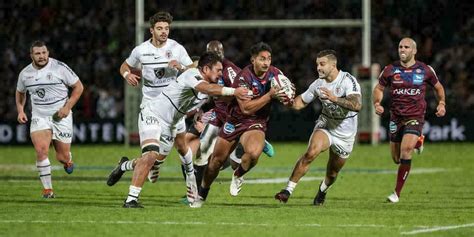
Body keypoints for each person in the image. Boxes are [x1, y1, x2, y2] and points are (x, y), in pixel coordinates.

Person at [117, 52, 250, 208]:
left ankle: (123, 166)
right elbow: (207, 88)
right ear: (206, 69)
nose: (221, 73)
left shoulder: (206, 86)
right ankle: (131, 200)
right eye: (218, 70)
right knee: (151, 156)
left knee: (172, 154)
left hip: (172, 122)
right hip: (153, 115)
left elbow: (211, 99)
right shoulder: (192, 75)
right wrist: (234, 91)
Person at [190, 42, 285, 208]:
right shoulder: (243, 76)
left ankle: (238, 173)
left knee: (254, 153)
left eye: (269, 59)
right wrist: (270, 96)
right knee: (215, 162)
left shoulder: (275, 74)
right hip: (234, 120)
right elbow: (246, 108)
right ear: (253, 60)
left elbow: (287, 93)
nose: (266, 62)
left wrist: (288, 96)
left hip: (256, 122)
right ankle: (202, 193)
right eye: (262, 59)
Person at [107, 11, 194, 186]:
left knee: (181, 146)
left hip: (173, 108)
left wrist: (182, 67)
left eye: (167, 28)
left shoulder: (177, 48)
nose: (164, 32)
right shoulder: (141, 50)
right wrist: (127, 75)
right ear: (151, 30)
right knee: (150, 155)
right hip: (151, 108)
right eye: (160, 28)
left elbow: (194, 70)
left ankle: (124, 166)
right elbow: (124, 66)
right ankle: (190, 185)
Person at [274, 50, 361, 206]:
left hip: (345, 134)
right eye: (317, 65)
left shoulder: (348, 81)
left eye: (322, 64)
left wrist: (335, 98)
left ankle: (323, 190)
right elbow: (301, 101)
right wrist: (289, 101)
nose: (318, 68)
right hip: (326, 125)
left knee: (332, 172)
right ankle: (287, 191)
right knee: (311, 152)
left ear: (333, 65)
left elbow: (357, 105)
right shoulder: (318, 84)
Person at [372, 37, 446, 203]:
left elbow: (438, 87)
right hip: (395, 117)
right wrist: (377, 103)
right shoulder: (390, 69)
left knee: (406, 150)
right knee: (396, 159)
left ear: (414, 51)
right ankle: (419, 142)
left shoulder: (425, 70)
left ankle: (396, 193)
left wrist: (441, 103)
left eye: (406, 47)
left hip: (415, 116)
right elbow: (378, 88)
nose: (402, 50)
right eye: (400, 47)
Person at [16, 40, 84, 198]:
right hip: (39, 116)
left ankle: (67, 160)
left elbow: (79, 87)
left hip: (61, 115)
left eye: (44, 53)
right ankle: (48, 190)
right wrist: (20, 110)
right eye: (38, 53)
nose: (42, 56)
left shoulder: (59, 67)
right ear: (31, 55)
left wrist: (67, 107)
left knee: (62, 156)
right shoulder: (25, 74)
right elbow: (20, 93)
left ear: (48, 53)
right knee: (41, 151)